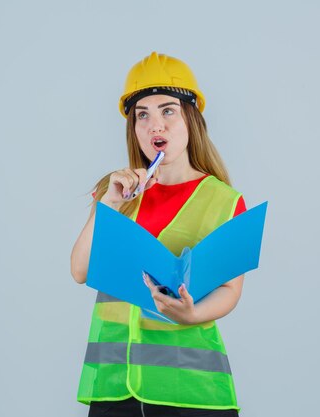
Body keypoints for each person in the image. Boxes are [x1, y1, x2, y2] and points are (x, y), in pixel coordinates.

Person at [70, 52, 248, 417]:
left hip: (189, 392)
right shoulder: (117, 190)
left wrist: (190, 315)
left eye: (168, 111)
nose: (155, 126)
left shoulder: (224, 201)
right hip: (114, 389)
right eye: (142, 115)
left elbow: (230, 291)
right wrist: (109, 207)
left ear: (190, 119)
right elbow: (80, 270)